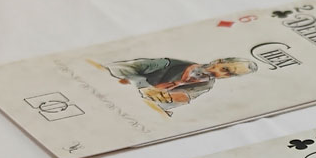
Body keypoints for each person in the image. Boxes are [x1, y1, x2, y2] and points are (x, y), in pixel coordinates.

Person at [103, 57, 258, 115]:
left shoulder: (206, 85)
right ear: (217, 61)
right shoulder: (168, 63)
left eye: (229, 75)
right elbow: (117, 68)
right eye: (224, 69)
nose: (219, 74)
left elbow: (176, 102)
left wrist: (169, 100)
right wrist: (142, 86)